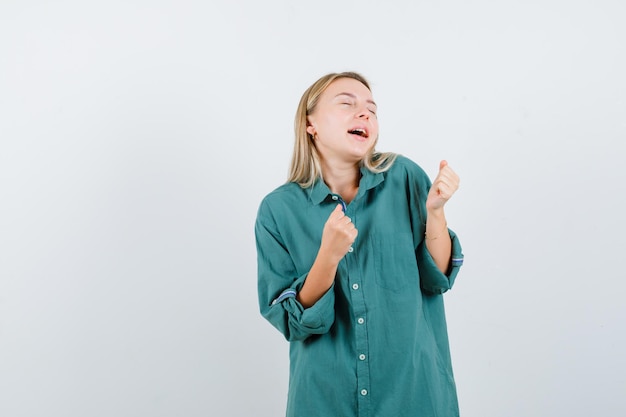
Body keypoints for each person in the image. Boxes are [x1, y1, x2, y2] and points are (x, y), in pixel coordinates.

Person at [255, 71, 464, 417]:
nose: (364, 114)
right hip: (325, 401)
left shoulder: (405, 177)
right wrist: (328, 257)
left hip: (415, 396)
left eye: (371, 108)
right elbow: (293, 323)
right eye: (346, 104)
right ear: (311, 125)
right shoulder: (277, 211)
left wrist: (436, 213)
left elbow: (437, 278)